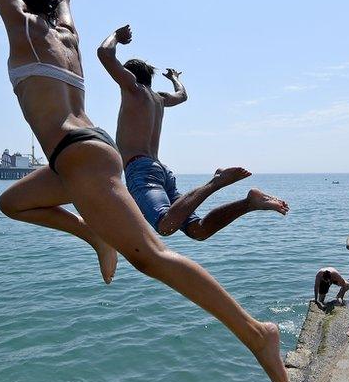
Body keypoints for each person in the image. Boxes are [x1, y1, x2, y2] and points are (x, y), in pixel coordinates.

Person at [0, 0, 287, 382]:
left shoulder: (23, 27)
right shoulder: (66, 31)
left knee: (155, 257)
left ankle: (258, 333)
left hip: (81, 157)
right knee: (13, 201)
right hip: (78, 157)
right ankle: (93, 233)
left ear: (24, 8)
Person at [97, 34, 288, 241]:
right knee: (199, 231)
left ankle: (215, 182)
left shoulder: (132, 89)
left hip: (140, 169)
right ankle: (249, 202)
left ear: (129, 75)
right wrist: (174, 78)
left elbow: (105, 54)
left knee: (165, 225)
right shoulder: (159, 99)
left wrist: (116, 36)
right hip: (160, 171)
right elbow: (182, 95)